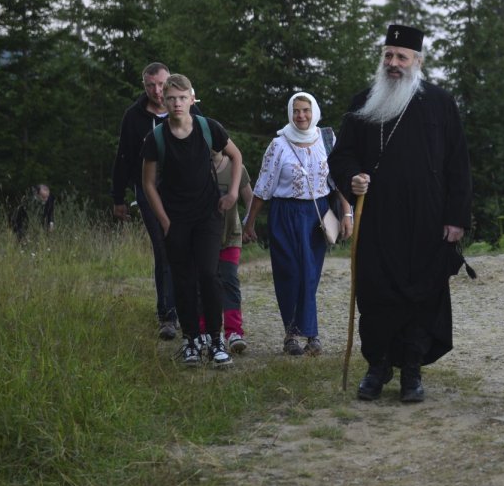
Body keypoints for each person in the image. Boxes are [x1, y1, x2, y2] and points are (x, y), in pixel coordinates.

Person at [329, 25, 472, 403]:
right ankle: (377, 366)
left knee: (422, 296)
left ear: (417, 62)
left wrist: (456, 219)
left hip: (427, 221)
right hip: (376, 220)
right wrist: (352, 178)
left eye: (401, 57)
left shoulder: (440, 104)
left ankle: (412, 370)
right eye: (388, 56)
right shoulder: (364, 102)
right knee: (376, 296)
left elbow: (458, 164)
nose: (393, 63)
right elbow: (341, 156)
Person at [140, 74, 243, 367]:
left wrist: (233, 193)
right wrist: (164, 220)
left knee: (209, 275)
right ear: (164, 101)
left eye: (182, 98)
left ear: (192, 99)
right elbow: (147, 183)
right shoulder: (156, 137)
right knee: (183, 279)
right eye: (171, 98)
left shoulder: (208, 127)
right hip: (175, 219)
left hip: (208, 215)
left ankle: (215, 339)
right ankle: (191, 341)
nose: (176, 103)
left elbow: (236, 156)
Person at [244, 92, 350, 358]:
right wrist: (250, 221)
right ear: (290, 113)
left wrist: (347, 214)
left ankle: (312, 335)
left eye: (305, 110)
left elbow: (338, 181)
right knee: (289, 273)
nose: (301, 116)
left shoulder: (327, 140)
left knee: (310, 274)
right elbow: (263, 186)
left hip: (317, 216)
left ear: (314, 111)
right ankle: (291, 334)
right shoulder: (278, 145)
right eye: (296, 111)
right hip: (286, 214)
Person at [112, 61, 201, 341]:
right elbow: (123, 157)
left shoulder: (188, 108)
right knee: (163, 247)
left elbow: (207, 146)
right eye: (151, 85)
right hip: (148, 190)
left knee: (188, 247)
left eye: (161, 84)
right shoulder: (134, 116)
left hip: (184, 190)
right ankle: (167, 315)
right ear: (144, 86)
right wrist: (118, 197)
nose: (157, 90)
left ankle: (193, 309)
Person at [206, 150, 254, 353]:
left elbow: (250, 199)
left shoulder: (237, 168)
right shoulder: (197, 167)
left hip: (231, 235)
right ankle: (205, 331)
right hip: (204, 237)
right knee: (205, 282)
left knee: (230, 281)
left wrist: (248, 225)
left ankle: (234, 332)